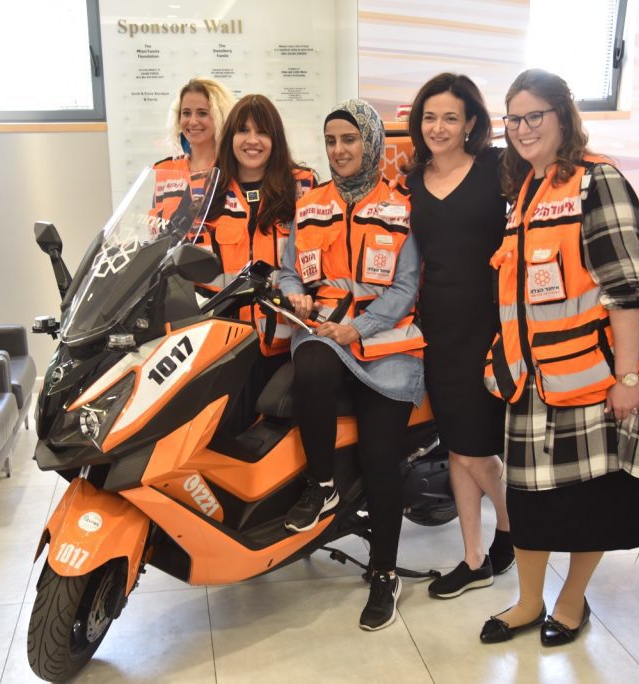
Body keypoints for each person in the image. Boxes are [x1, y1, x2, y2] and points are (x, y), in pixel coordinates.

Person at [479, 68, 639, 646]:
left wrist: (628, 375)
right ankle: (527, 602)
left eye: (534, 115)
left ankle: (569, 603)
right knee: (531, 503)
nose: (521, 128)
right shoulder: (524, 193)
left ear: (564, 116)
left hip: (601, 377)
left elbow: (625, 288)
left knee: (595, 501)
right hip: (537, 380)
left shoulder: (598, 182)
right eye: (513, 118)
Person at [278, 99, 425, 631]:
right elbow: (288, 269)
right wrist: (294, 293)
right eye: (331, 141)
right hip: (325, 334)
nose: (339, 151)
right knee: (311, 365)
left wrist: (358, 328)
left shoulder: (401, 206)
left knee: (380, 457)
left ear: (370, 143)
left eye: (349, 140)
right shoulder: (310, 203)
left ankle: (384, 573)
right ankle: (322, 485)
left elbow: (408, 287)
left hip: (387, 343)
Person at [402, 73, 513, 599]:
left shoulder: (496, 168)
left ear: (471, 122)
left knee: (474, 448)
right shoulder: (410, 182)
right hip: (436, 327)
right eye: (430, 117)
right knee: (458, 448)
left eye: (450, 117)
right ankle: (474, 557)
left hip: (491, 325)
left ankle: (515, 526)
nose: (438, 127)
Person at [202, 94, 315, 434]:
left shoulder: (303, 186)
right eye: (243, 131)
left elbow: (320, 259)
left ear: (275, 139)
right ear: (230, 138)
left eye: (262, 132)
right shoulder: (208, 193)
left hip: (289, 346)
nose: (252, 141)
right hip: (228, 348)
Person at [154, 77, 235, 176]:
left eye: (202, 113)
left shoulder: (236, 171)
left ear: (221, 116)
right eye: (186, 113)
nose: (192, 122)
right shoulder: (165, 169)